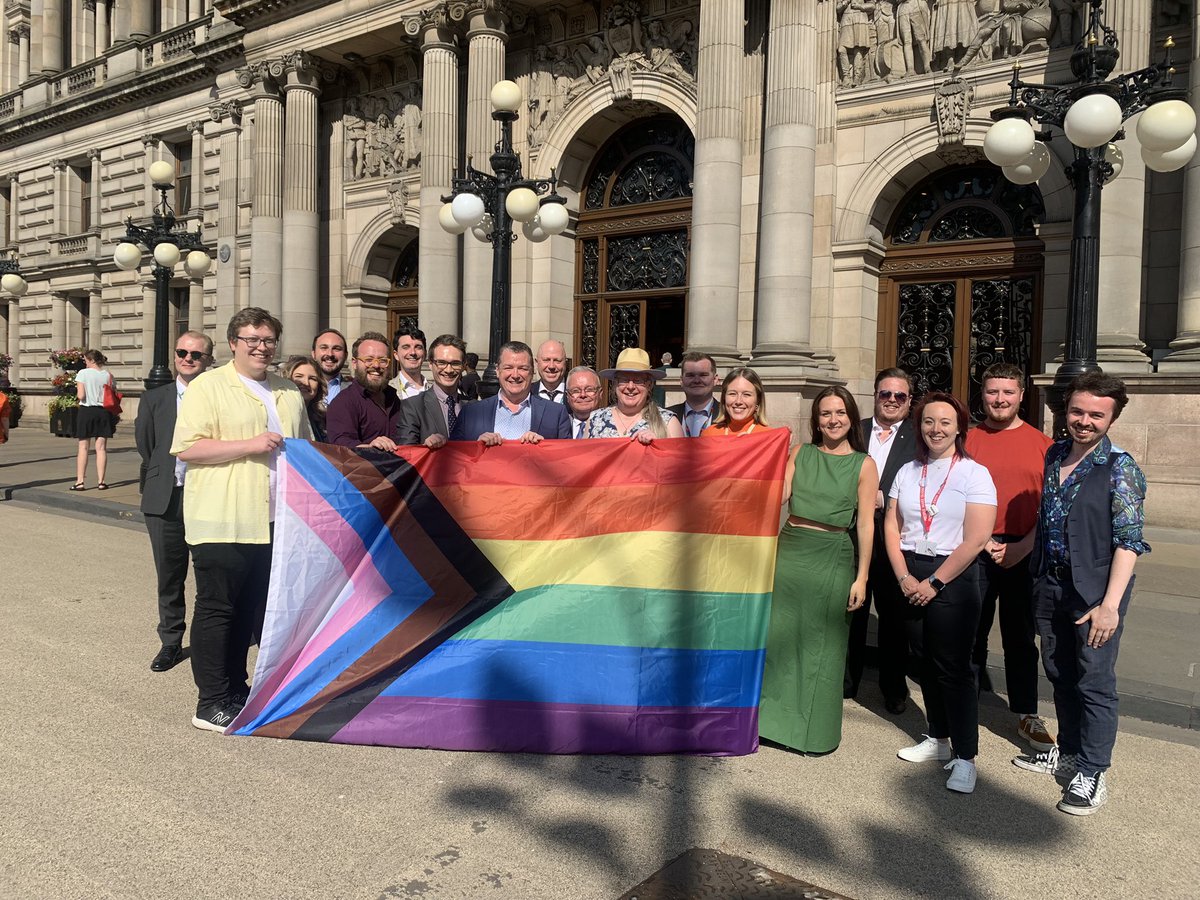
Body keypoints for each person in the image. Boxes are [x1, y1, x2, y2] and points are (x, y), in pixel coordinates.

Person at [1013, 373, 1149, 816]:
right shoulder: (1054, 454)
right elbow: (1048, 520)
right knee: (1058, 670)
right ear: (1065, 411)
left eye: (1096, 414)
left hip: (1095, 593)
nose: (1084, 421)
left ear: (1111, 418)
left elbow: (1129, 541)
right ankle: (1069, 751)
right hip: (1051, 584)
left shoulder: (1121, 468)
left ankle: (1093, 770)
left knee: (1094, 680)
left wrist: (1109, 605)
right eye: (1077, 411)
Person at [172, 307, 311, 732]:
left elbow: (305, 450)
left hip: (272, 520)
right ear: (233, 343)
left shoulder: (288, 391)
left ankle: (236, 689)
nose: (260, 347)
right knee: (217, 608)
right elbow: (187, 448)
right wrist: (249, 444)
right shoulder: (209, 386)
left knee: (249, 608)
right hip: (222, 517)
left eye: (268, 339)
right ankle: (210, 700)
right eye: (251, 339)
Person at [886, 391, 996, 794]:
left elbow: (977, 537)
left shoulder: (974, 474)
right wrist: (903, 577)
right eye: (929, 421)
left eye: (945, 422)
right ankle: (938, 737)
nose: (936, 429)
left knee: (953, 667)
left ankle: (965, 755)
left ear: (959, 427)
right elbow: (892, 526)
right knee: (922, 661)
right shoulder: (908, 471)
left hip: (953, 575)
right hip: (910, 571)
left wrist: (934, 583)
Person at [759, 385, 878, 755]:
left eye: (840, 413)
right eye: (825, 413)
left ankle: (813, 733)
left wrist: (862, 577)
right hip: (790, 550)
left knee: (822, 646)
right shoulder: (801, 453)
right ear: (816, 420)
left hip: (834, 556)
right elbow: (776, 496)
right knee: (779, 639)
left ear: (851, 417)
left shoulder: (864, 464)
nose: (833, 419)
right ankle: (768, 724)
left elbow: (865, 526)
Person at [965, 363, 1055, 752]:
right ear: (982, 395)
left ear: (1021, 395)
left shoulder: (1046, 446)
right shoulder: (965, 440)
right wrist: (982, 540)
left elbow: (1054, 510)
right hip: (975, 549)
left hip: (1024, 551)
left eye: (1007, 392)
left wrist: (1023, 546)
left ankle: (1026, 712)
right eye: (992, 392)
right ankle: (963, 703)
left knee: (1020, 639)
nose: (999, 399)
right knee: (971, 634)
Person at [135, 331, 214, 672]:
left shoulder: (217, 396)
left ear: (208, 360)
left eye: (196, 354)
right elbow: (147, 445)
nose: (188, 358)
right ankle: (170, 641)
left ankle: (209, 639)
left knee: (211, 572)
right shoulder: (156, 398)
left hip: (209, 497)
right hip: (165, 497)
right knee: (170, 575)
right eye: (182, 352)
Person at [846, 367, 918, 713]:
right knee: (852, 611)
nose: (891, 401)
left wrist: (885, 495)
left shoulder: (920, 436)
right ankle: (848, 683)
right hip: (854, 535)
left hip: (895, 539)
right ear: (875, 395)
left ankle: (893, 687)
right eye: (885, 394)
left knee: (893, 619)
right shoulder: (854, 430)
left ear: (909, 401)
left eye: (899, 396)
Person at [450, 341, 571, 443]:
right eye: (508, 368)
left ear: (532, 371)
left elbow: (567, 460)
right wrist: (475, 446)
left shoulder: (556, 414)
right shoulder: (470, 413)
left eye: (523, 368)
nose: (515, 375)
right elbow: (454, 459)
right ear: (497, 370)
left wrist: (544, 448)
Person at [326, 332, 404, 451]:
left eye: (383, 360)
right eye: (369, 359)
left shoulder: (394, 399)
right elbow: (340, 446)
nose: (376, 365)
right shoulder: (344, 402)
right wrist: (369, 448)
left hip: (399, 469)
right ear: (354, 363)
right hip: (365, 468)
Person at [586, 348, 683, 441]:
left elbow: (677, 457)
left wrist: (659, 445)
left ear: (649, 385)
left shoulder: (668, 422)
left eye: (638, 381)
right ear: (615, 384)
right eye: (624, 380)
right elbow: (582, 456)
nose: (631, 386)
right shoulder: (595, 419)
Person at [397, 334, 469, 448]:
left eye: (455, 363)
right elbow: (407, 454)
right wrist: (425, 447)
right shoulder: (412, 406)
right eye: (441, 363)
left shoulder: (475, 407)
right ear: (430, 364)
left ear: (464, 366)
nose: (448, 370)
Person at [72, 349, 116, 491]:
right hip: (103, 412)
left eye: (85, 360)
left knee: (83, 447)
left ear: (90, 360)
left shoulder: (83, 373)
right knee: (101, 448)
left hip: (87, 411)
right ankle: (101, 481)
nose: (84, 363)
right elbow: (112, 394)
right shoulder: (108, 375)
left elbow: (81, 395)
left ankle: (80, 482)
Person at [702, 368, 771, 436]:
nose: (738, 401)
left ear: (758, 401)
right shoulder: (709, 434)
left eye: (746, 394)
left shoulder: (768, 437)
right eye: (732, 394)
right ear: (724, 398)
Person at [667, 351, 719, 437]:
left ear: (715, 379)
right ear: (681, 380)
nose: (697, 380)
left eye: (703, 375)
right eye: (690, 375)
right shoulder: (665, 417)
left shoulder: (728, 416)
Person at [283, 355, 328, 442]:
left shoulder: (323, 419)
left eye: (312, 378)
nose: (306, 383)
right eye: (299, 376)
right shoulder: (277, 413)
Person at [389, 326, 428, 398]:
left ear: (425, 354)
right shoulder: (386, 391)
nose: (413, 352)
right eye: (406, 347)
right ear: (396, 355)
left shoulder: (437, 390)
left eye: (418, 347)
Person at [564, 365, 602, 439]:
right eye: (576, 390)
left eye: (589, 389)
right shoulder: (558, 425)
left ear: (600, 393)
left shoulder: (612, 424)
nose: (583, 395)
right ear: (567, 396)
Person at [312, 329, 348, 402]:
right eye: (324, 348)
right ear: (314, 354)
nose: (330, 354)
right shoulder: (300, 388)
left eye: (336, 349)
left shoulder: (354, 390)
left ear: (345, 356)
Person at [532, 339, 568, 404]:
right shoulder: (527, 393)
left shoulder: (576, 393)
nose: (551, 366)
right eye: (546, 360)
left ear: (565, 363)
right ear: (537, 363)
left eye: (557, 360)